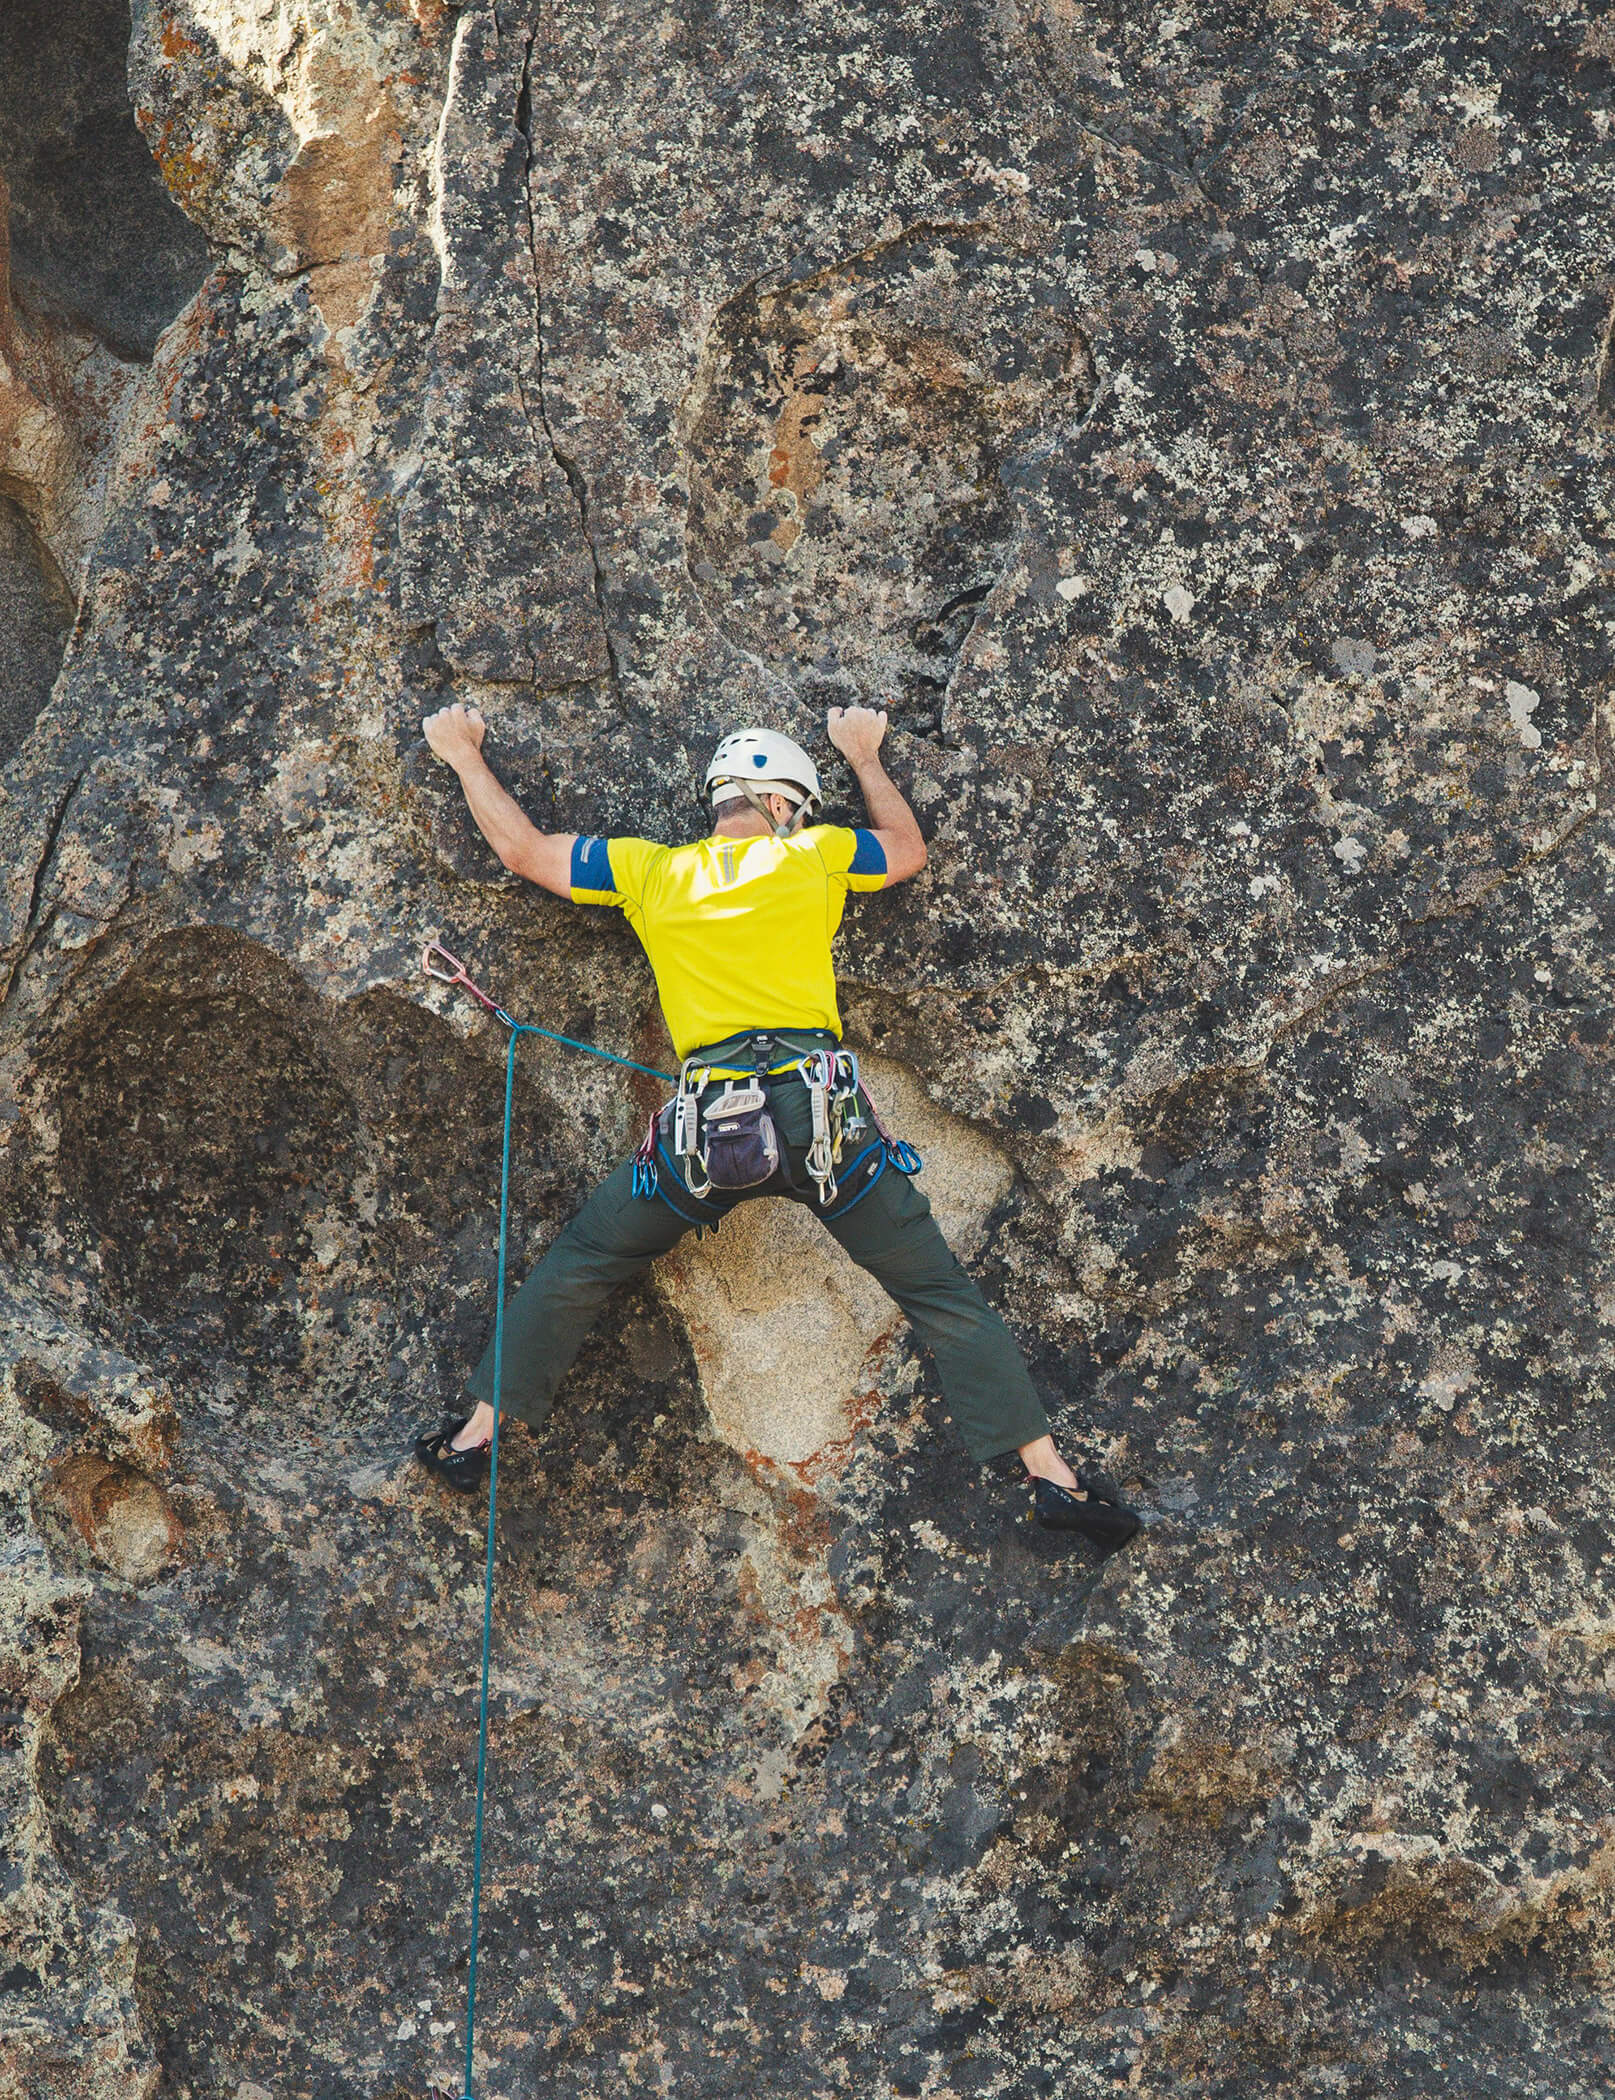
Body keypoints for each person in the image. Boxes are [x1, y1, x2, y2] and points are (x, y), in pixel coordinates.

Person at [412, 701, 1139, 1548]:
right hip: (819, 1118)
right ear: (786, 803)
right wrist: (864, 756)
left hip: (709, 1129)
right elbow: (905, 852)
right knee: (937, 1294)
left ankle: (472, 1440)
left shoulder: (650, 872)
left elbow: (522, 851)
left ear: (720, 798)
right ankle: (1054, 1480)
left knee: (585, 1260)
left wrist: (463, 754)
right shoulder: (816, 853)